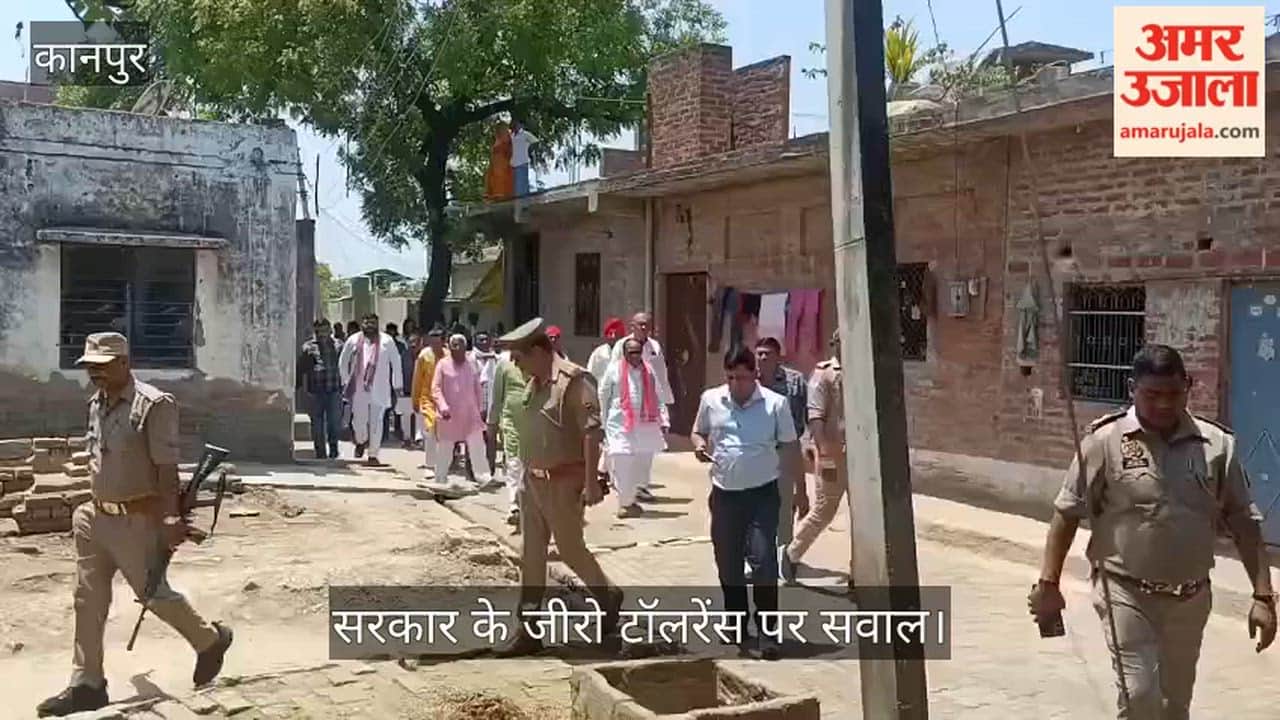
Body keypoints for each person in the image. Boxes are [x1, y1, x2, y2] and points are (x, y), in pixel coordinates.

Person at [1028, 344, 1276, 720]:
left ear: (1188, 386)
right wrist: (1049, 584)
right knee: (1140, 696)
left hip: (1190, 598)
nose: (1163, 404)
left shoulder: (1217, 447)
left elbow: (1244, 521)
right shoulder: (1103, 443)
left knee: (1174, 706)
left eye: (1174, 394)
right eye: (1152, 395)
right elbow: (1066, 512)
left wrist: (1263, 596)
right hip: (1124, 592)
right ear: (1132, 388)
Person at [37, 332, 234, 717]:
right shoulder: (97, 402)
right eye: (90, 366)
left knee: (153, 594)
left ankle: (209, 641)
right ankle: (87, 684)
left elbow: (166, 467)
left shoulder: (154, 405)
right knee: (86, 601)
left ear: (125, 363)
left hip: (135, 518)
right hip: (93, 518)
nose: (94, 372)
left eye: (103, 365)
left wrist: (171, 517)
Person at [495, 318, 622, 656]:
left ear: (538, 351)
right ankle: (529, 629)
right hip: (532, 483)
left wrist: (593, 482)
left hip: (563, 483)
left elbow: (592, 431)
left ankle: (607, 596)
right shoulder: (535, 383)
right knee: (531, 557)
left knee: (570, 550)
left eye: (520, 358)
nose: (517, 367)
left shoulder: (573, 381)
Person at [691, 346, 798, 661]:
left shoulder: (775, 405)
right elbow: (698, 432)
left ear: (756, 375)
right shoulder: (712, 400)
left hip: (763, 495)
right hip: (725, 495)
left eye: (744, 377)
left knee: (764, 562)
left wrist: (801, 490)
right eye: (731, 377)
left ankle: (768, 632)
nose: (737, 384)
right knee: (728, 563)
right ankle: (736, 624)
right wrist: (699, 446)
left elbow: (790, 447)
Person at [783, 330, 851, 589]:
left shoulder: (863, 370)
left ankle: (861, 570)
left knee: (865, 514)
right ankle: (789, 556)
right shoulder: (824, 374)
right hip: (834, 453)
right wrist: (824, 454)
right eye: (841, 342)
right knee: (824, 510)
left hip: (860, 454)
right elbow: (815, 418)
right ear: (834, 345)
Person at [754, 337, 810, 582]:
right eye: (759, 354)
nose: (763, 358)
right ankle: (758, 560)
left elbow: (806, 417)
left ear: (778, 356)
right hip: (755, 453)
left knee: (784, 508)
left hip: (785, 450)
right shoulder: (747, 381)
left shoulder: (795, 382)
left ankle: (783, 562)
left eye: (767, 353)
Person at [599, 337, 669, 518]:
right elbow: (603, 395)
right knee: (622, 461)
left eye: (638, 352)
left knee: (640, 464)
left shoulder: (649, 370)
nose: (636, 356)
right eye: (631, 352)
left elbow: (658, 395)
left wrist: (664, 419)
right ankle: (625, 504)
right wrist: (602, 422)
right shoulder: (614, 369)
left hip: (644, 424)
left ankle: (631, 499)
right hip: (619, 424)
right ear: (624, 354)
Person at [611, 312, 674, 501]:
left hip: (649, 405)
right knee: (625, 449)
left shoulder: (654, 346)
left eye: (647, 325)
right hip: (626, 405)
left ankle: (641, 486)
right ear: (632, 326)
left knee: (646, 449)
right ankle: (624, 487)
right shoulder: (622, 346)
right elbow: (614, 374)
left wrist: (664, 404)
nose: (644, 328)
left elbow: (661, 374)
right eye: (640, 324)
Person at [339, 313, 402, 467]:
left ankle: (373, 454)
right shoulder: (353, 340)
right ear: (362, 324)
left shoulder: (387, 341)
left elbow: (396, 363)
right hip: (358, 388)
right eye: (367, 322)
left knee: (377, 422)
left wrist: (397, 385)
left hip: (380, 388)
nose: (369, 325)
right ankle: (360, 441)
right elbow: (343, 361)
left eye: (373, 322)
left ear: (377, 323)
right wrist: (346, 380)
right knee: (358, 422)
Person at [432, 334, 494, 488]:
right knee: (445, 449)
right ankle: (440, 478)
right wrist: (442, 406)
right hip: (449, 416)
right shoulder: (442, 364)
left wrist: (481, 409)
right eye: (454, 345)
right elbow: (436, 388)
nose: (457, 348)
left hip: (470, 415)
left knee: (477, 446)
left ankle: (483, 477)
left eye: (460, 345)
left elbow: (478, 389)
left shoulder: (471, 364)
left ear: (465, 347)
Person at [489, 340, 529, 527]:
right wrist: (492, 421)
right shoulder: (504, 364)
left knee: (529, 465)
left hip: (534, 423)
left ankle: (528, 504)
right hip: (511, 422)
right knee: (513, 463)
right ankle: (514, 506)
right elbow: (497, 396)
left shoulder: (535, 361)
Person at [297, 317, 343, 460]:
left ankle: (334, 449)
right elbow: (301, 368)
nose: (322, 333)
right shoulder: (308, 347)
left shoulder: (338, 345)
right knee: (317, 424)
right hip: (315, 391)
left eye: (325, 329)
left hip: (334, 390)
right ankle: (320, 452)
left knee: (334, 422)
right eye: (319, 330)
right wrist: (298, 386)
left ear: (329, 330)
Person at [411, 327, 446, 479]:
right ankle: (430, 465)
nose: (435, 343)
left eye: (438, 339)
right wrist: (415, 399)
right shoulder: (424, 356)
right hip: (428, 400)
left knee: (444, 433)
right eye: (433, 340)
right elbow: (417, 380)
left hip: (445, 400)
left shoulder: (449, 355)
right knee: (431, 430)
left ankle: (444, 462)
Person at [472, 331, 500, 471]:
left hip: (491, 404)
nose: (483, 342)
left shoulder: (496, 359)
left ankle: (490, 468)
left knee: (490, 438)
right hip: (474, 404)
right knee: (475, 438)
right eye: (480, 340)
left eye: (485, 339)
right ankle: (474, 469)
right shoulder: (470, 357)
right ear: (475, 341)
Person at [400, 319, 422, 448]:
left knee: (419, 416)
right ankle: (407, 438)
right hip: (406, 389)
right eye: (411, 342)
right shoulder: (403, 355)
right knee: (406, 416)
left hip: (420, 391)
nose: (413, 345)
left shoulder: (424, 356)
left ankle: (418, 438)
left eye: (416, 342)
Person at [385, 322, 408, 443]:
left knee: (398, 406)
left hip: (396, 379)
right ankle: (384, 433)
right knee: (385, 408)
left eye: (393, 332)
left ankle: (398, 430)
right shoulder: (382, 346)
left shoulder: (401, 346)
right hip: (384, 379)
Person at [587, 317, 627, 383]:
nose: (613, 337)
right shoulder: (598, 353)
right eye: (610, 333)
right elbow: (590, 374)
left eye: (616, 333)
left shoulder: (627, 352)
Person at [485, 121, 514, 201]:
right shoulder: (498, 145)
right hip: (498, 176)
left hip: (504, 175)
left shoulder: (507, 144)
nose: (508, 134)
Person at [510, 119, 539, 197]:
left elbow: (536, 142)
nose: (516, 125)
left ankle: (522, 206)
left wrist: (529, 151)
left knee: (521, 187)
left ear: (521, 125)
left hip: (522, 162)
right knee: (515, 187)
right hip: (513, 163)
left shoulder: (525, 134)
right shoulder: (511, 135)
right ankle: (522, 205)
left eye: (518, 124)